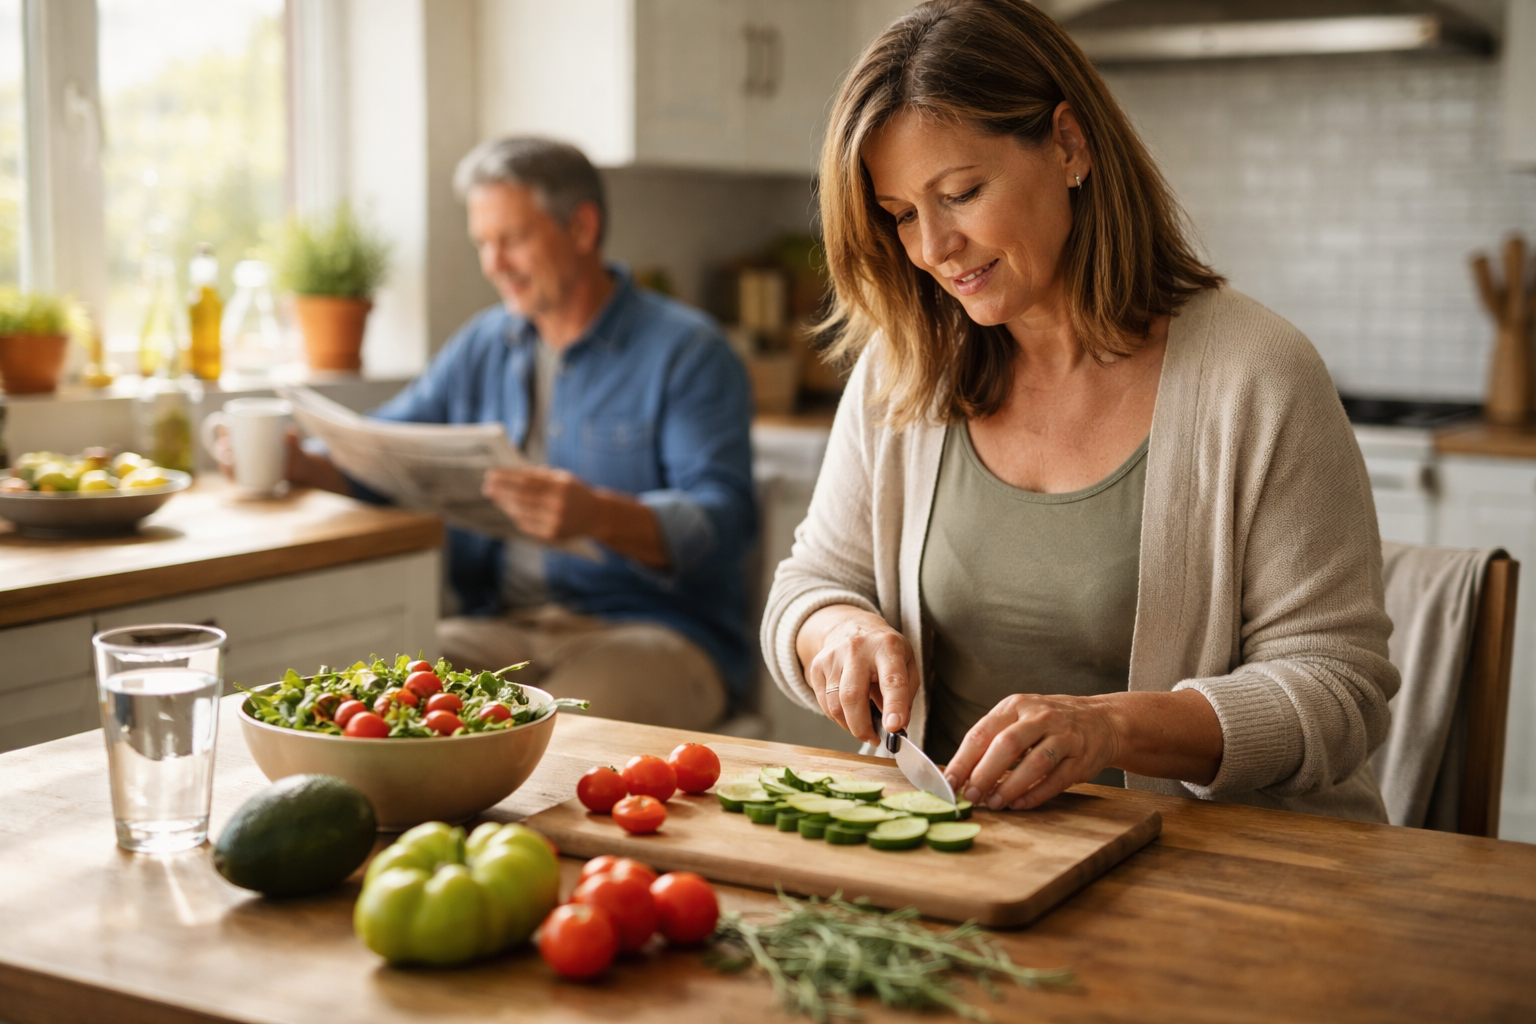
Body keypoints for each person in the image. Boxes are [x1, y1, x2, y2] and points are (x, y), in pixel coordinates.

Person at [761, 0, 1400, 821]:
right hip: (979, 862)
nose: (932, 249)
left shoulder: (1258, 374)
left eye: (960, 192)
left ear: (1068, 144)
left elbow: (1338, 690)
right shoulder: (904, 367)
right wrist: (836, 631)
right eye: (901, 217)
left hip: (1224, 875)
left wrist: (1109, 730)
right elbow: (809, 587)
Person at [287, 137, 757, 731]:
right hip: (503, 629)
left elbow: (725, 520)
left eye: (511, 239)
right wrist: (301, 462)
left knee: (545, 738)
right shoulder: (486, 343)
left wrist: (598, 515)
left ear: (582, 228)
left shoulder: (688, 352)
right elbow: (386, 446)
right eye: (483, 243)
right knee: (371, 705)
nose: (492, 264)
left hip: (656, 633)